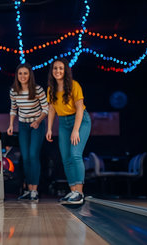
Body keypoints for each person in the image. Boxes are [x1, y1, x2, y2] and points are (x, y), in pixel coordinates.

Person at [45, 58, 91, 205]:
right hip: (64, 123)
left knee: (75, 155)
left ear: (65, 71)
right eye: (55, 68)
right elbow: (51, 109)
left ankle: (80, 192)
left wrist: (76, 130)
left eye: (61, 68)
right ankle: (73, 192)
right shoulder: (51, 89)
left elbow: (79, 109)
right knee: (66, 158)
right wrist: (49, 128)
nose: (57, 71)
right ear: (52, 71)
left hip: (80, 121)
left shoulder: (74, 85)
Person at [7, 63, 48, 203]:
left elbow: (46, 109)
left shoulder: (37, 90)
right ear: (17, 76)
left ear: (30, 75)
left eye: (25, 73)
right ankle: (29, 190)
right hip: (23, 125)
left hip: (37, 125)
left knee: (33, 155)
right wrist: (11, 125)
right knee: (25, 157)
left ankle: (34, 190)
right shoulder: (14, 91)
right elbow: (13, 109)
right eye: (20, 74)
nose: (23, 76)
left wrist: (38, 121)